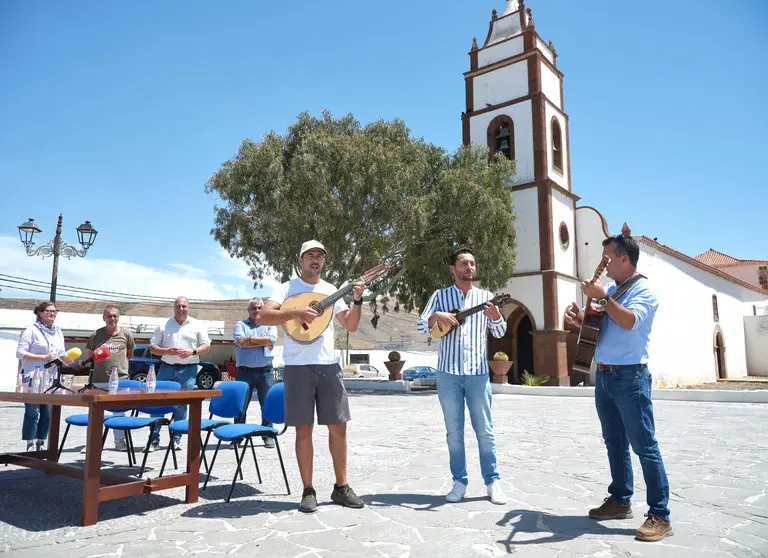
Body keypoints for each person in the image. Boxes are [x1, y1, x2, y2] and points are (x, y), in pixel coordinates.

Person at [564, 233, 672, 542]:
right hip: (606, 377)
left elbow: (628, 321)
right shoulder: (612, 290)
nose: (604, 264)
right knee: (614, 442)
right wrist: (579, 319)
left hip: (630, 378)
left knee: (644, 446)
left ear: (625, 258)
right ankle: (620, 500)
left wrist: (601, 298)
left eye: (607, 258)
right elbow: (602, 326)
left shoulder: (645, 290)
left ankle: (660, 515)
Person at [261, 239, 365, 513]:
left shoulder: (332, 290)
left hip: (329, 365)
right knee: (303, 429)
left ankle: (341, 487)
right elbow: (263, 316)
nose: (315, 260)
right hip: (297, 367)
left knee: (338, 427)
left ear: (323, 262)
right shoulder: (286, 288)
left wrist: (357, 299)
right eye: (310, 255)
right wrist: (295, 312)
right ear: (300, 260)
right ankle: (308, 490)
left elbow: (351, 325)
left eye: (320, 255)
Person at [417, 246, 507, 505]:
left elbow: (500, 333)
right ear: (453, 269)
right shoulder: (439, 295)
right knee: (454, 432)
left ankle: (493, 482)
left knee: (485, 430)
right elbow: (422, 324)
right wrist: (436, 315)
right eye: (464, 263)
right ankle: (459, 481)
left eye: (472, 263)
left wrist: (497, 315)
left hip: (478, 374)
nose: (470, 267)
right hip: (448, 374)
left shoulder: (486, 297)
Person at [149, 296, 211, 451]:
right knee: (157, 402)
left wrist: (193, 351)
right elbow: (152, 347)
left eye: (184, 306)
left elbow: (207, 346)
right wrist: (166, 351)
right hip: (166, 367)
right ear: (173, 308)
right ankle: (153, 439)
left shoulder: (197, 325)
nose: (181, 309)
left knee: (182, 405)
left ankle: (176, 437)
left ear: (188, 307)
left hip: (188, 369)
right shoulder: (163, 325)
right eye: (178, 306)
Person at [15, 301, 71, 452]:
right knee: (32, 411)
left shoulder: (58, 331)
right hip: (33, 376)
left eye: (55, 311)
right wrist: (44, 357)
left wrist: (65, 358)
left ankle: (42, 441)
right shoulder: (31, 330)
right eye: (49, 311)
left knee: (47, 411)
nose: (52, 313)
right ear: (40, 313)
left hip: (51, 377)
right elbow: (20, 353)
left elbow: (59, 353)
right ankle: (30, 443)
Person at [86, 305, 136, 451]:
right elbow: (90, 356)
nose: (112, 319)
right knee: (95, 412)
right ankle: (93, 443)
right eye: (109, 316)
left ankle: (120, 441)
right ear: (104, 317)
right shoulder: (96, 335)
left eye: (115, 316)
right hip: (99, 380)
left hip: (121, 379)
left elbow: (130, 354)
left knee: (119, 411)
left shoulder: (126, 334)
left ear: (118, 317)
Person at [232, 297, 278, 447]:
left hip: (265, 372)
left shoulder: (271, 325)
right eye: (254, 308)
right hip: (244, 372)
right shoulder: (239, 325)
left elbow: (271, 340)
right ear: (248, 310)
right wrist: (263, 341)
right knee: (240, 406)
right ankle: (238, 436)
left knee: (267, 404)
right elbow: (241, 343)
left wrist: (250, 339)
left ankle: (267, 434)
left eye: (259, 308)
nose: (257, 310)